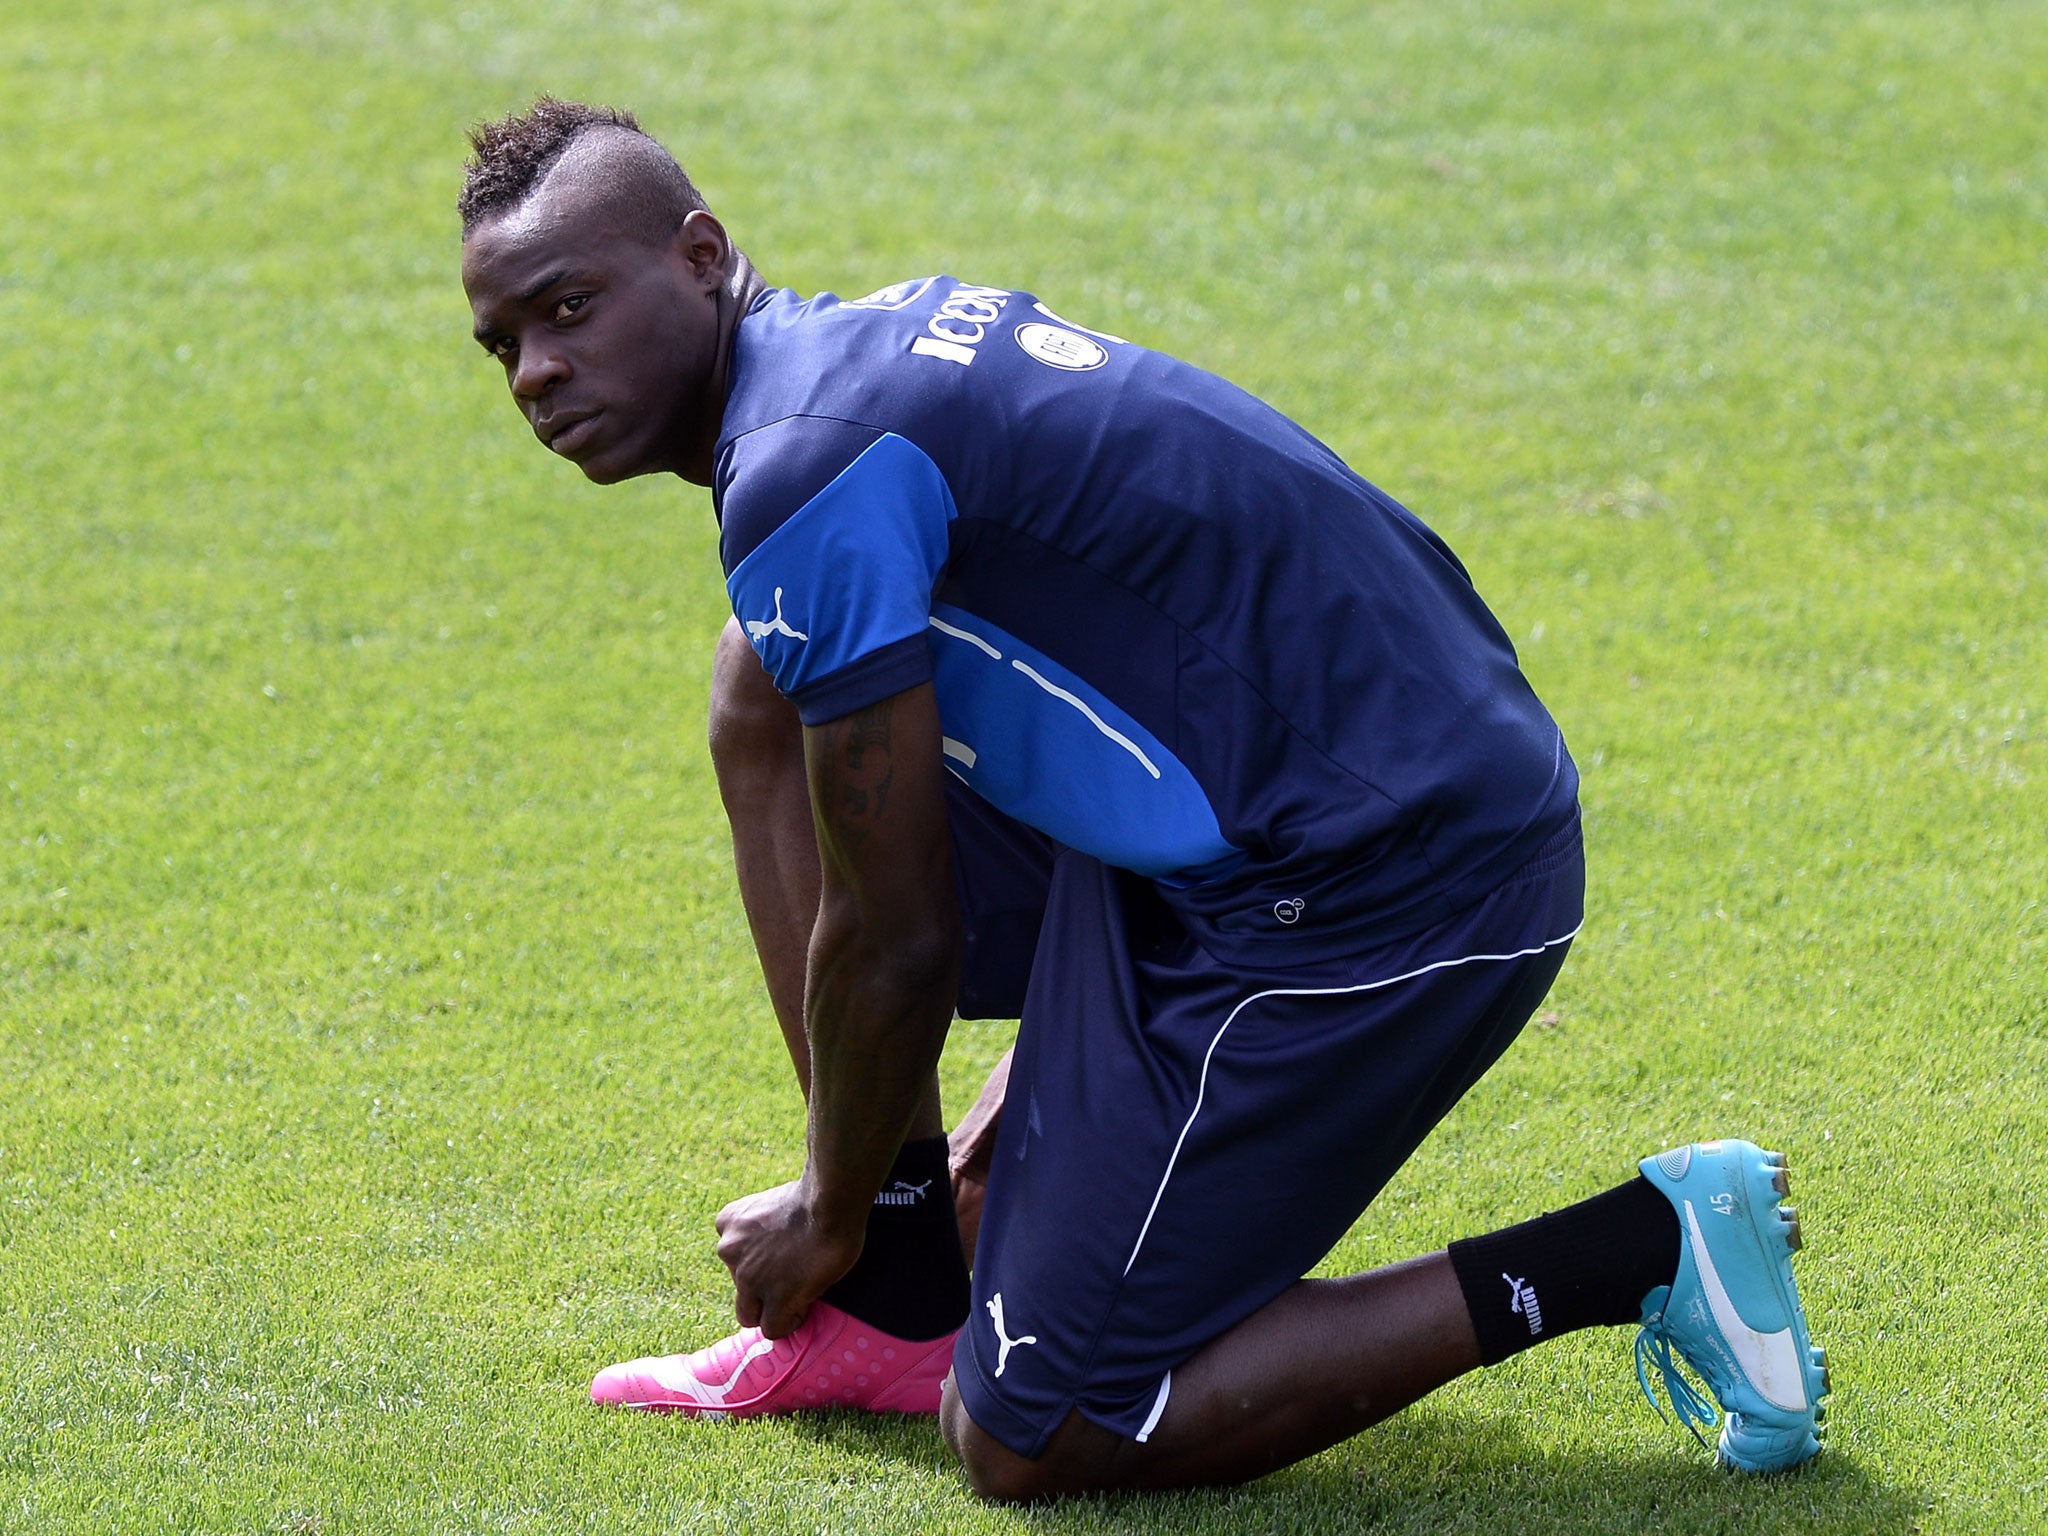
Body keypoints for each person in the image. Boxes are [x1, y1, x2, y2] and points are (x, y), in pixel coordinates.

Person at [456, 97, 1829, 1500]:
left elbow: (899, 939)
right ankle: (901, 1296)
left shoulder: (804, 465)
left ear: (700, 255)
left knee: (1034, 1431)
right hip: (1303, 796)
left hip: (1397, 881)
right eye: (504, 344)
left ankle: (1645, 1249)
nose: (537, 374)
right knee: (766, 678)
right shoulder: (840, 364)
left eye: (569, 308)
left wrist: (827, 1206)